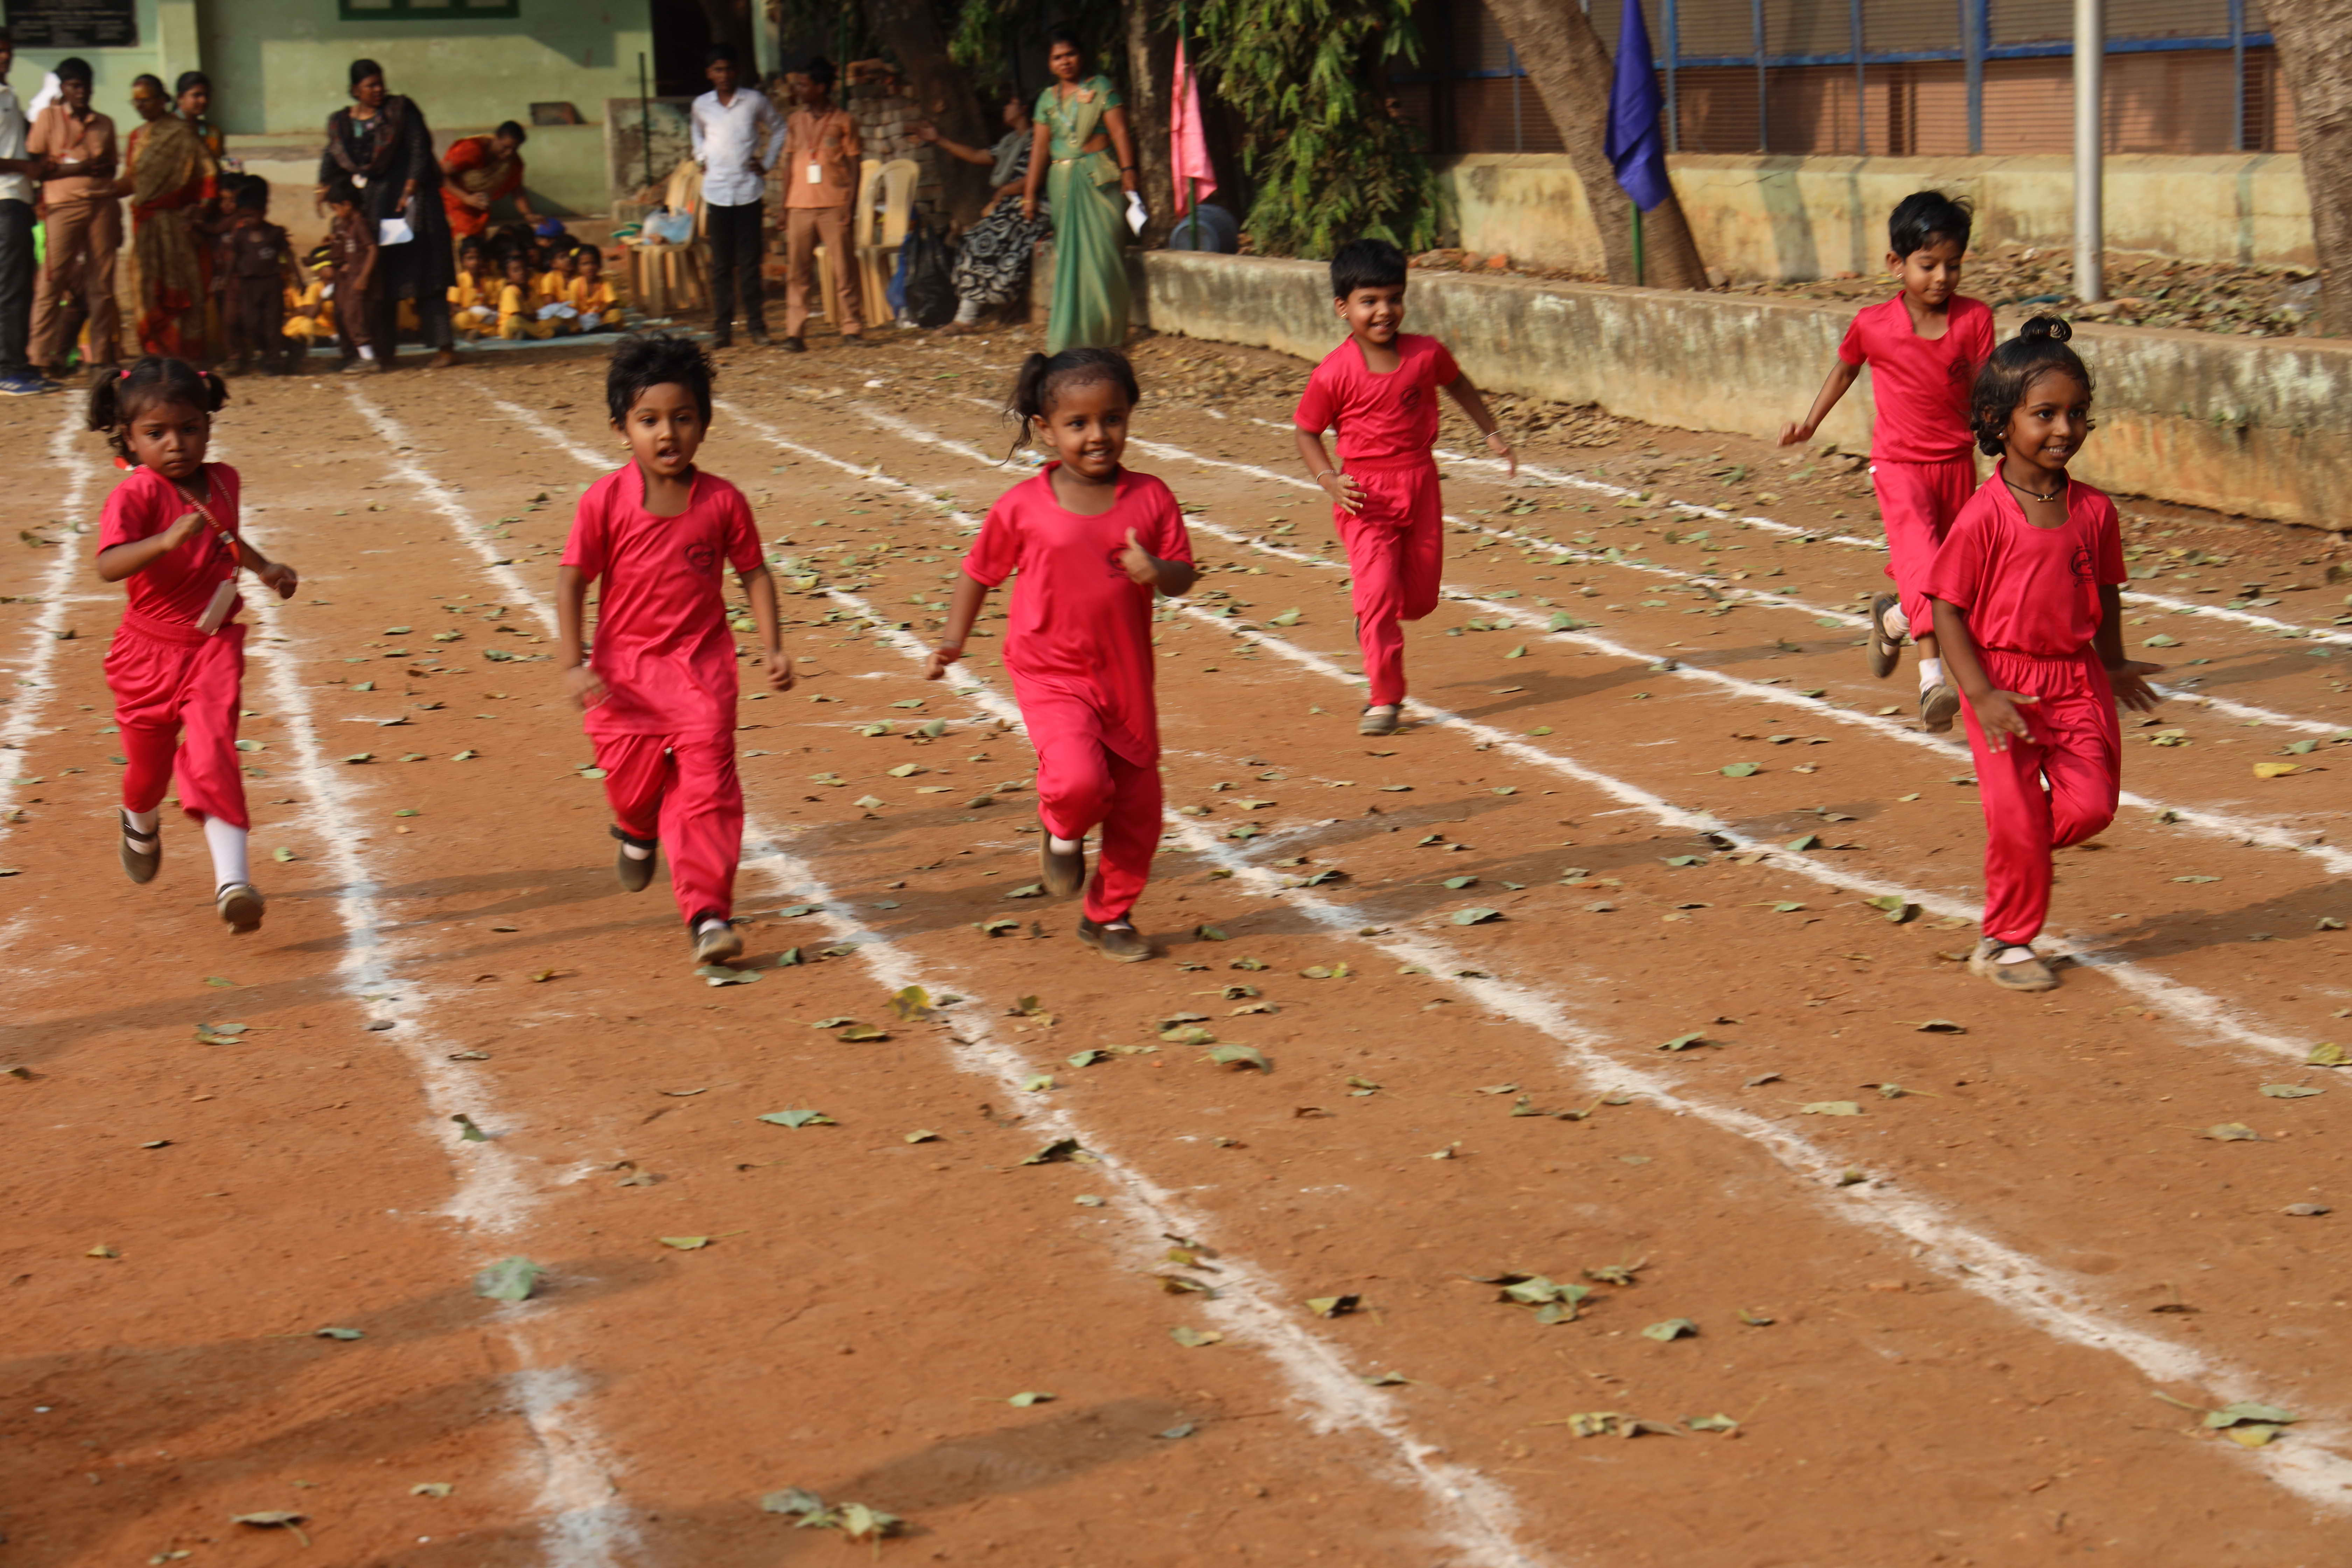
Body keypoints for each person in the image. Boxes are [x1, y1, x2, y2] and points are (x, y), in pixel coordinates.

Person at [925, 347, 1196, 963]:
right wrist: (952, 640)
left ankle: (1111, 916)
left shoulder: (1151, 498)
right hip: (1050, 673)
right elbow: (979, 573)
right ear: (1046, 430)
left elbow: (1184, 575)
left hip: (1125, 678)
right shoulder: (1022, 507)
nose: (1098, 435)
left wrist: (1155, 570)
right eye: (1078, 424)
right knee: (1077, 781)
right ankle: (1062, 829)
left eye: (1113, 419)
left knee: (1137, 810)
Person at [1926, 318, 2162, 994]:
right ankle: (2006, 941)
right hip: (2001, 680)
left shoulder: (2095, 511)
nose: (2066, 428)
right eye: (2046, 414)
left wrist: (2113, 664)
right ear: (2001, 424)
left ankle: (2017, 846)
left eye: (2078, 413)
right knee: (2019, 818)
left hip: (2075, 676)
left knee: (2091, 808)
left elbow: (2108, 591)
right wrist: (1981, 695)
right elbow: (1948, 609)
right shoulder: (1984, 516)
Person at [558, 333, 792, 967]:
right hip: (623, 680)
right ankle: (636, 828)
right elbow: (574, 579)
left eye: (683, 418)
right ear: (621, 428)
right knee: (634, 791)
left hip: (701, 675)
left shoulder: (723, 502)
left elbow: (754, 574)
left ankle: (709, 913)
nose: (668, 434)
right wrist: (574, 662)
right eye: (650, 420)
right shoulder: (603, 503)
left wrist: (772, 645)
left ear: (705, 424)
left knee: (709, 792)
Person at [90, 355, 299, 934]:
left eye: (190, 429)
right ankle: (138, 818)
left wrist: (265, 569)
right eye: (156, 434)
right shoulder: (134, 497)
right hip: (147, 653)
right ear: (129, 437)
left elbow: (226, 536)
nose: (176, 445)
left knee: (213, 750)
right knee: (147, 772)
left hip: (212, 646)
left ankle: (233, 882)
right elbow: (108, 565)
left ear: (208, 425)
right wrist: (161, 541)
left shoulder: (224, 480)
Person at [1781, 191, 1995, 733]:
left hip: (1956, 466)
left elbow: (1989, 389)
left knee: (1951, 576)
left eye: (1953, 265)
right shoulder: (1873, 324)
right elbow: (1845, 370)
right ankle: (1932, 685)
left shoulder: (1975, 321)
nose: (1942, 277)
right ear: (1896, 265)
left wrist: (2003, 447)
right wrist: (1811, 423)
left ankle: (1893, 619)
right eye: (1928, 266)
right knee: (1924, 565)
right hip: (1897, 466)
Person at [1292, 238, 1514, 737]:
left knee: (1416, 601)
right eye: (1369, 301)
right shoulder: (1333, 374)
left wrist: (1491, 431)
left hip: (1420, 483)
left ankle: (1377, 619)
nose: (1383, 311)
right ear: (1342, 308)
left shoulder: (1426, 354)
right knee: (1377, 593)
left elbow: (1458, 384)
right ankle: (1384, 699)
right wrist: (1329, 480)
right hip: (1364, 496)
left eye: (1394, 298)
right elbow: (1307, 432)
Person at [318, 59, 458, 370]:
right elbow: (331, 158)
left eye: (380, 83)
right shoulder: (341, 123)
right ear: (355, 90)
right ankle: (382, 352)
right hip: (370, 211)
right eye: (370, 85)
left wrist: (410, 188)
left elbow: (420, 148)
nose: (378, 90)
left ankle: (445, 347)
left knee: (427, 275)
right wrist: (322, 188)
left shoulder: (401, 111)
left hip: (412, 207)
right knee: (378, 281)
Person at [1022, 31, 1139, 355]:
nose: (1065, 62)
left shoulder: (1101, 88)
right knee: (1071, 260)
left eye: (1070, 54)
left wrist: (1129, 171)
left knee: (1105, 257)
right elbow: (1040, 149)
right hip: (1062, 182)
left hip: (1100, 178)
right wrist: (1029, 194)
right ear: (1050, 64)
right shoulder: (1047, 100)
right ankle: (1072, 337)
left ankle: (1110, 335)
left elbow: (1119, 131)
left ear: (1081, 56)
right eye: (1057, 57)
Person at [916, 95, 1047, 336]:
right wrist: (940, 140)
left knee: (987, 242)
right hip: (1009, 206)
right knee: (973, 239)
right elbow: (978, 156)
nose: (1005, 108)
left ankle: (970, 316)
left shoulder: (1038, 141)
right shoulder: (1010, 142)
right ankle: (968, 314)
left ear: (1024, 110)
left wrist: (1002, 194)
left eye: (1010, 104)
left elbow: (1033, 178)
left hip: (1031, 208)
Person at [27, 57, 121, 378]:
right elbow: (39, 166)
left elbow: (112, 166)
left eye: (86, 86)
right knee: (52, 282)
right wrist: (80, 168)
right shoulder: (48, 118)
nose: (82, 92)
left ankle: (101, 358)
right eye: (75, 86)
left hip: (101, 205)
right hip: (61, 207)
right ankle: (39, 357)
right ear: (64, 89)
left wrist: (99, 167)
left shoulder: (104, 123)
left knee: (103, 284)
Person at [691, 43, 783, 350]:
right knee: (721, 266)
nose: (724, 75)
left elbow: (779, 129)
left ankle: (757, 327)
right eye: (718, 70)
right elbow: (697, 133)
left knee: (750, 264)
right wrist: (701, 156)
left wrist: (767, 162)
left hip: (748, 191)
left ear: (737, 71)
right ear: (709, 74)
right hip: (717, 192)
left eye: (729, 69)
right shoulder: (702, 105)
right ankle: (722, 331)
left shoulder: (754, 101)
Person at [119, 72, 215, 362]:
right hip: (145, 224)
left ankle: (184, 354)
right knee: (145, 285)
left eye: (146, 100)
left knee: (182, 285)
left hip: (175, 224)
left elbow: (208, 173)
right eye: (135, 101)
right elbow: (131, 181)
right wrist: (97, 191)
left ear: (163, 100)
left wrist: (200, 210)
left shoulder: (182, 132)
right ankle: (155, 352)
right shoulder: (137, 137)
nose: (140, 106)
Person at [778, 55, 861, 354]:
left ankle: (852, 326)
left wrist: (850, 204)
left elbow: (854, 165)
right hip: (799, 205)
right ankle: (795, 332)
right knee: (798, 273)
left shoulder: (844, 121)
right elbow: (788, 163)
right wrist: (783, 205)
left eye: (805, 85)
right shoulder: (796, 122)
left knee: (844, 269)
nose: (799, 90)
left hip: (834, 204)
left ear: (821, 87)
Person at [0, 26, 55, 396]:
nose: (5, 57)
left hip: (17, 201)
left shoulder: (9, 94)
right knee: (10, 289)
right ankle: (7, 369)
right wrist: (27, 169)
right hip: (4, 201)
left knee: (20, 286)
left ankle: (18, 363)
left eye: (8, 50)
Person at [213, 177, 296, 374]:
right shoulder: (237, 226)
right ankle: (237, 358)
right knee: (233, 320)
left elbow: (285, 255)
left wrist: (287, 275)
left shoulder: (270, 231)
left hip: (260, 281)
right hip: (239, 279)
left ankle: (274, 355)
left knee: (266, 322)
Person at [441, 120, 537, 242]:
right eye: (505, 147)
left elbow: (517, 190)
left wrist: (528, 214)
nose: (509, 153)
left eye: (515, 149)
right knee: (466, 239)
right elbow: (441, 175)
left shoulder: (514, 163)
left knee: (478, 242)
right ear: (496, 138)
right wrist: (466, 198)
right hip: (453, 199)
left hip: (479, 205)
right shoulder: (472, 149)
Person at [320, 176, 377, 371]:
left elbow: (372, 250)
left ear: (347, 204)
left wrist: (364, 276)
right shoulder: (348, 226)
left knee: (354, 317)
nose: (336, 214)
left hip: (357, 280)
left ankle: (368, 359)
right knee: (343, 314)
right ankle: (353, 355)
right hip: (349, 278)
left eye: (336, 208)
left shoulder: (360, 224)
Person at [496, 250, 555, 340]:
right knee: (515, 322)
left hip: (530, 323)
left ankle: (529, 334)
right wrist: (536, 316)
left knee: (555, 320)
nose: (522, 273)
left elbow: (541, 311)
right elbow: (518, 316)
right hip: (512, 327)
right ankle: (548, 333)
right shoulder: (510, 291)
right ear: (508, 278)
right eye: (516, 271)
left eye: (524, 269)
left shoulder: (531, 290)